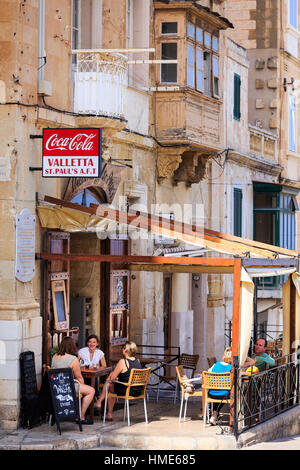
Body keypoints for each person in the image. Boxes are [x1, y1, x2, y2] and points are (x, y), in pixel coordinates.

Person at [51, 336, 95, 425]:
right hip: (67, 387)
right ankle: (81, 417)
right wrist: (82, 389)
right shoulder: (72, 359)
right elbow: (79, 377)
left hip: (56, 387)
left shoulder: (54, 357)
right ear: (72, 346)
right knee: (91, 391)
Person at [94, 341, 142, 421]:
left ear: (124, 350)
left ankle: (99, 402)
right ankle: (106, 412)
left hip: (127, 390)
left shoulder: (123, 361)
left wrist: (112, 375)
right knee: (111, 385)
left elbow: (112, 378)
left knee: (109, 383)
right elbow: (128, 375)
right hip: (138, 390)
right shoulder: (138, 361)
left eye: (122, 348)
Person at [207, 346, 232, 425]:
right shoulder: (231, 368)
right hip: (224, 395)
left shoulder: (216, 364)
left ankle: (214, 415)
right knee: (227, 393)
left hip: (212, 393)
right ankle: (215, 414)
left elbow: (208, 372)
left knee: (219, 391)